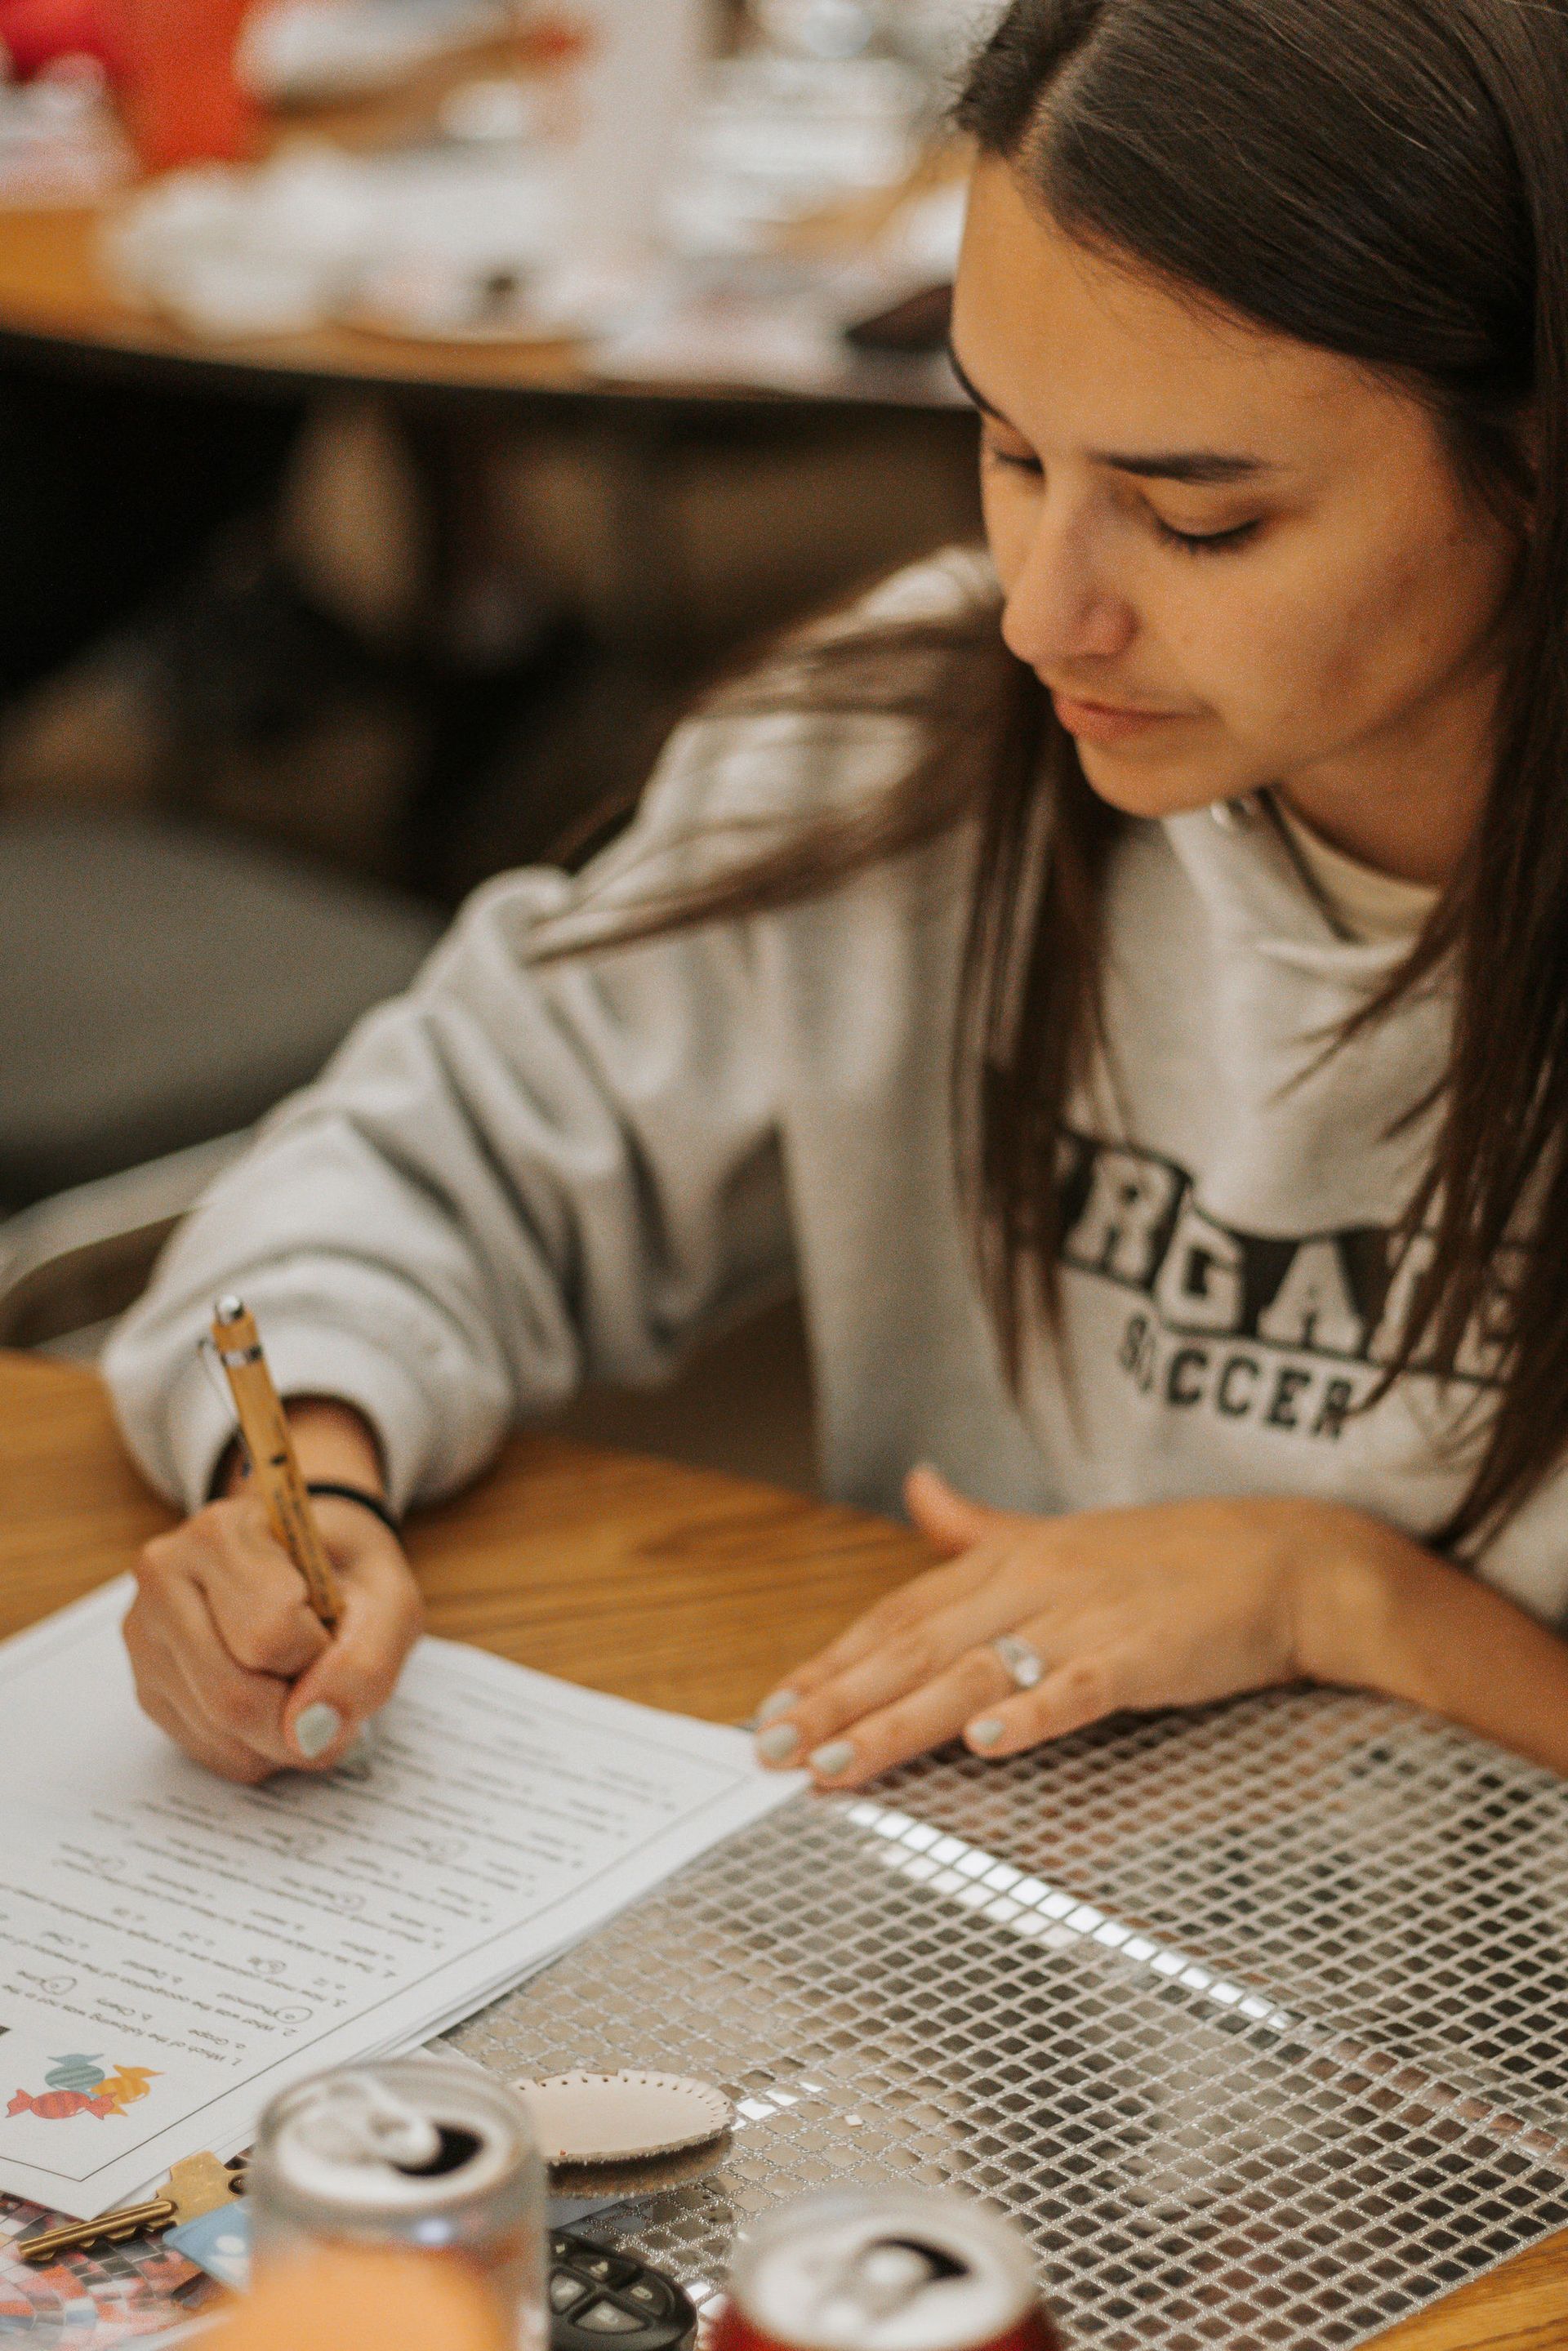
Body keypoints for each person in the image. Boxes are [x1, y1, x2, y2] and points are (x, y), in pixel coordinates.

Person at [107, 0, 1568, 1792]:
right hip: (991, 1922)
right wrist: (302, 1481)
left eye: (1201, 523)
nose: (1047, 614)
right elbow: (430, 1164)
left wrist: (1350, 1599)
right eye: (1013, 454)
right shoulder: (919, 743)